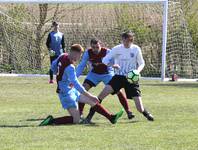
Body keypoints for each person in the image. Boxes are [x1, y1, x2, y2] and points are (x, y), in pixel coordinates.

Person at [39, 44, 124, 126]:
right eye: (80, 55)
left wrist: (58, 74)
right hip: (66, 93)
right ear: (74, 53)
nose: (80, 58)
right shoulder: (70, 67)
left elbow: (53, 66)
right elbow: (76, 83)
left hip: (71, 89)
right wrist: (89, 95)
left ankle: (111, 118)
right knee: (76, 120)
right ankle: (51, 121)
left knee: (92, 101)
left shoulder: (62, 55)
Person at [86, 31, 154, 122]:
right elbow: (105, 60)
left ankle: (147, 114)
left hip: (131, 78)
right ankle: (89, 117)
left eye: (127, 41)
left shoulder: (136, 49)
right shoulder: (117, 49)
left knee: (139, 108)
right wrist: (112, 65)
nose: (125, 43)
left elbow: (142, 63)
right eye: (123, 40)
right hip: (118, 77)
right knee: (100, 96)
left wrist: (137, 71)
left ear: (131, 40)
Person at [76, 38, 134, 123]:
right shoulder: (88, 53)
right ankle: (79, 114)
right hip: (94, 74)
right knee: (83, 89)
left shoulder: (107, 52)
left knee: (119, 91)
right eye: (93, 47)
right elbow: (81, 66)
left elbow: (116, 62)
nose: (95, 49)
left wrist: (115, 65)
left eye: (97, 47)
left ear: (100, 45)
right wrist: (75, 77)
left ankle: (128, 111)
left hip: (107, 73)